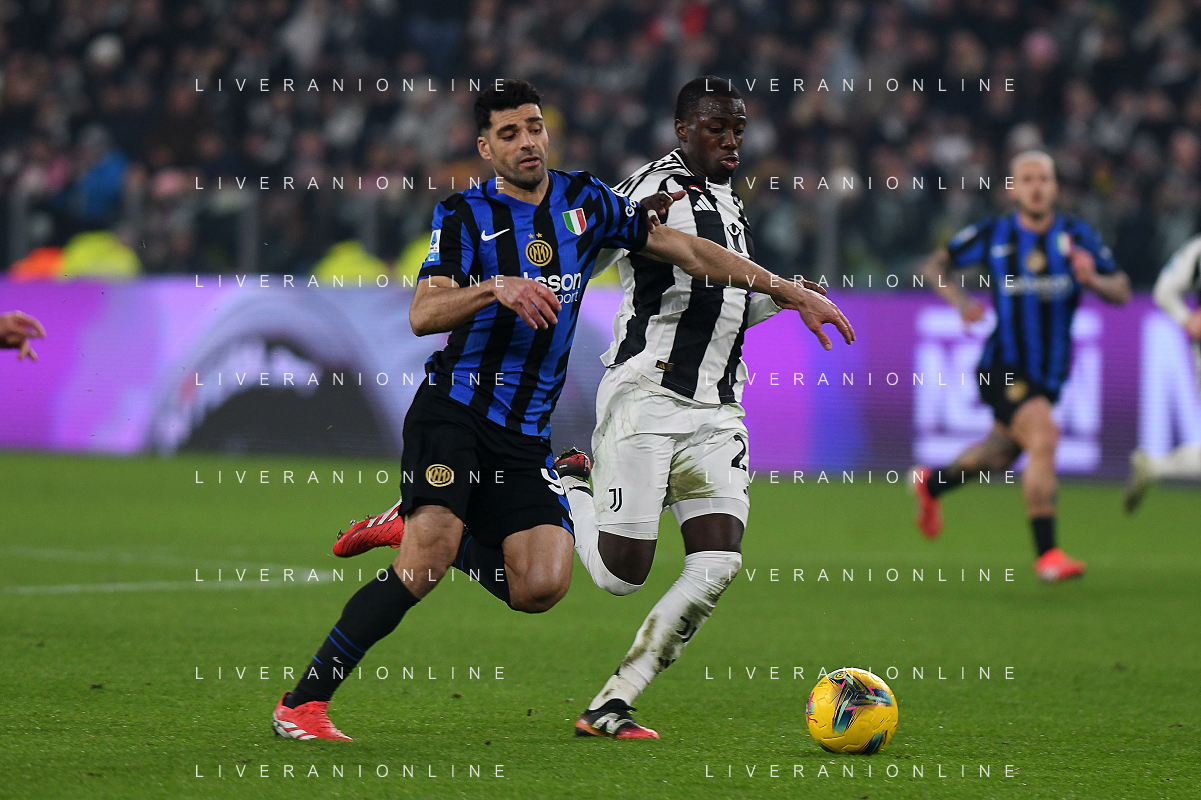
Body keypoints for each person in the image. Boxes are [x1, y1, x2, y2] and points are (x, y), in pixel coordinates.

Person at [272, 79, 853, 741]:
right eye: (509, 133)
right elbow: (423, 313)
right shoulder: (462, 215)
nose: (527, 142)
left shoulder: (586, 202)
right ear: (485, 147)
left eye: (534, 127)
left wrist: (785, 290)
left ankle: (423, 527)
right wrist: (495, 287)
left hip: (525, 434)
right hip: (455, 410)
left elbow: (689, 252)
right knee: (425, 561)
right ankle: (303, 702)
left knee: (540, 586)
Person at [559, 76, 846, 740]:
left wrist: (783, 297)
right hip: (648, 397)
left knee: (718, 562)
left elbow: (724, 299)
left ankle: (613, 701)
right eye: (716, 127)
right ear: (682, 129)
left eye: (738, 129)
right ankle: (570, 487)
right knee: (622, 576)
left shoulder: (727, 201)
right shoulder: (648, 190)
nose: (731, 140)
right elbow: (593, 252)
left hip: (716, 409)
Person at [911, 151, 1130, 583]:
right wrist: (960, 302)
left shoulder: (1077, 235)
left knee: (1000, 453)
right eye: (1026, 179)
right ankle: (1048, 555)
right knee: (1045, 435)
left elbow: (1121, 289)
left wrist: (1094, 281)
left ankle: (931, 484)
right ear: (1012, 189)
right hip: (1001, 367)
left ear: (1055, 187)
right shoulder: (994, 233)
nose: (1036, 187)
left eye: (1043, 179)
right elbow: (935, 266)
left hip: (1048, 375)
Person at [1124, 234, 1201, 511]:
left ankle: (1155, 467)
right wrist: (1186, 318)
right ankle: (1155, 467)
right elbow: (1164, 290)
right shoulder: (1198, 250)